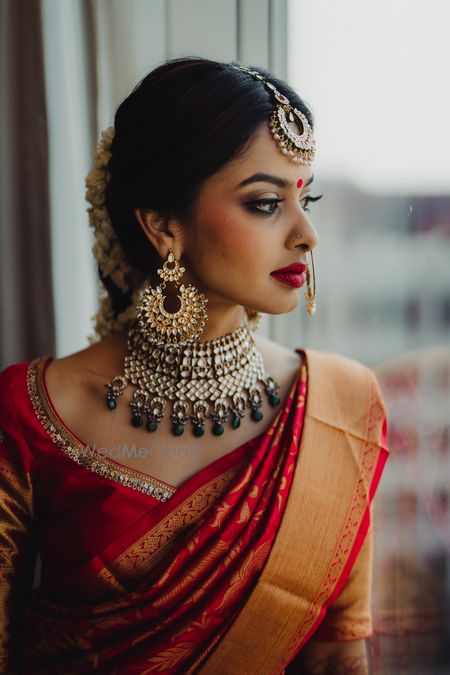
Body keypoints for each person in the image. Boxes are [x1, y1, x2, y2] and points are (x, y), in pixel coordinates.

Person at [0, 57, 389, 674]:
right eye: (265, 203)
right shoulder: (34, 408)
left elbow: (338, 659)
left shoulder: (339, 404)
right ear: (162, 224)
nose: (307, 233)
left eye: (305, 197)